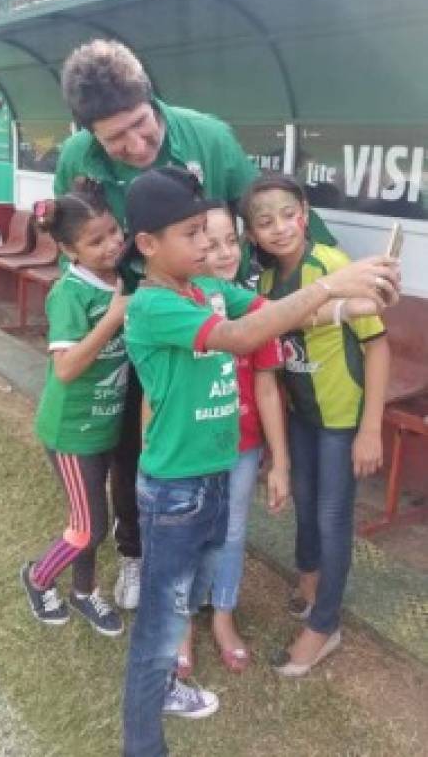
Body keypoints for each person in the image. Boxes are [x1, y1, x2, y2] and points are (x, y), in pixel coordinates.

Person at [120, 165, 398, 756]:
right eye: (192, 233)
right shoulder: (152, 306)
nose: (206, 245)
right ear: (148, 245)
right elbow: (244, 338)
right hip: (176, 489)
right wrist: (331, 285)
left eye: (209, 232)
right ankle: (142, 742)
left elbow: (282, 315)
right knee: (162, 621)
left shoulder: (208, 289)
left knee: (195, 586)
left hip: (213, 478)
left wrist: (349, 303)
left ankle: (173, 673)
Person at [55, 38, 336, 610]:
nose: (135, 145)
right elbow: (76, 246)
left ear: (150, 97)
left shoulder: (208, 138)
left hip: (211, 314)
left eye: (140, 125)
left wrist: (331, 268)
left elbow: (266, 208)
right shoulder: (75, 159)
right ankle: (135, 553)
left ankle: (206, 565)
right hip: (144, 321)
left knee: (213, 440)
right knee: (135, 445)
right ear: (89, 136)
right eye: (115, 139)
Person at [240, 173, 390, 676]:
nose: (280, 228)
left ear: (304, 213)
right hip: (302, 415)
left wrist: (370, 428)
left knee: (331, 518)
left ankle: (325, 625)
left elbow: (377, 345)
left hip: (341, 419)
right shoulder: (264, 282)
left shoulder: (333, 265)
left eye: (288, 214)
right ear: (253, 235)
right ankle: (310, 585)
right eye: (265, 222)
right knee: (305, 506)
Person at [177, 203, 289, 678]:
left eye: (231, 242)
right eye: (210, 241)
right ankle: (181, 625)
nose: (222, 253)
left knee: (231, 532)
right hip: (189, 450)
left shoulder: (251, 309)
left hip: (242, 448)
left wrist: (279, 461)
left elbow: (267, 389)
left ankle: (223, 616)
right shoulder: (176, 305)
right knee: (187, 535)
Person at [20, 180, 128, 637]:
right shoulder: (70, 293)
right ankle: (38, 577)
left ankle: (84, 594)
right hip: (72, 433)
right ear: (68, 250)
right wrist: (113, 316)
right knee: (88, 527)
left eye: (114, 232)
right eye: (96, 241)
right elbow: (64, 369)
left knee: (90, 520)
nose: (111, 246)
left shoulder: (123, 278)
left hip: (108, 426)